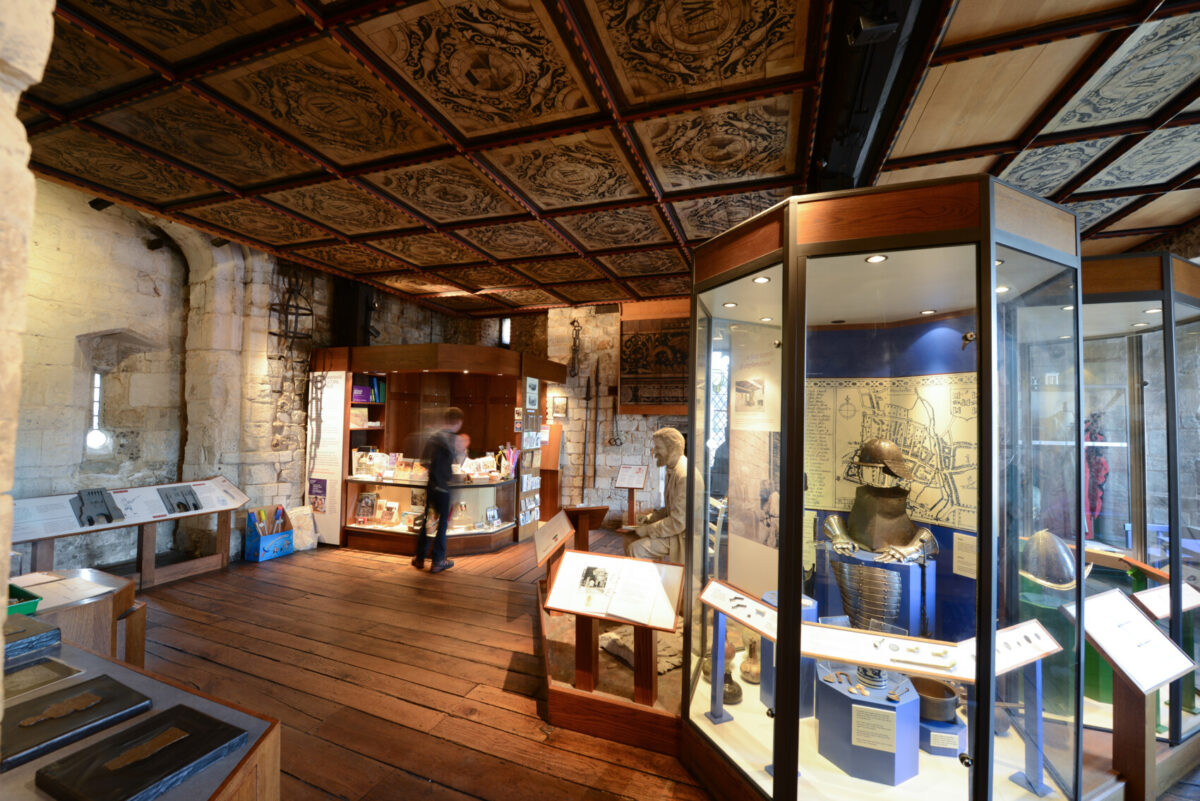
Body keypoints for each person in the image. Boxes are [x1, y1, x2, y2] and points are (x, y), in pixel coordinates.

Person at [626, 427, 699, 562]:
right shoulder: (672, 469)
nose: (655, 453)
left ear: (671, 448)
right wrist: (650, 517)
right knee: (629, 537)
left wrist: (647, 530)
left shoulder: (684, 475)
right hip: (677, 531)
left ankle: (644, 581)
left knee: (636, 548)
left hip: (683, 536)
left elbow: (678, 522)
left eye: (658, 448)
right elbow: (672, 508)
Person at [414, 406, 463, 573]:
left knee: (427, 521)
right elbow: (455, 463)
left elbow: (423, 461)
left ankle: (420, 558)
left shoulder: (434, 437)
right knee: (442, 524)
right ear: (457, 422)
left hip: (431, 485)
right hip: (444, 487)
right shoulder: (452, 439)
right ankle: (438, 560)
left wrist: (433, 472)